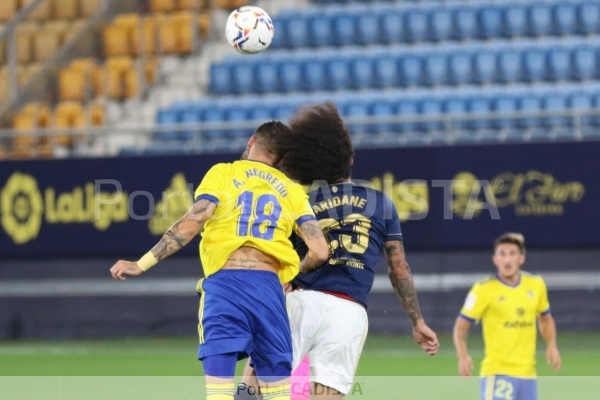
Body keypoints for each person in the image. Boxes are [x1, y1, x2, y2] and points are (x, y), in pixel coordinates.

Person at [110, 121, 330, 400]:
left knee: (220, 393)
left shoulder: (223, 173)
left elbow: (195, 219)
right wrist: (288, 276)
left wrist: (141, 264)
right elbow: (320, 251)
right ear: (282, 160)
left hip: (225, 288)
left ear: (252, 141)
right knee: (277, 394)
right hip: (269, 289)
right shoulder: (293, 191)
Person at [237, 102, 440, 400]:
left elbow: (281, 263)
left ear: (305, 163)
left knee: (251, 392)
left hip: (299, 303)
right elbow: (399, 269)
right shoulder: (380, 203)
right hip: (348, 312)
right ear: (350, 159)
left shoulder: (299, 201)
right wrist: (417, 321)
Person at [453, 233, 562, 400]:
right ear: (495, 259)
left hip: (528, 374)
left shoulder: (536, 284)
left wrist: (552, 344)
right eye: (502, 254)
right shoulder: (483, 289)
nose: (507, 260)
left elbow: (545, 318)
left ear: (521, 258)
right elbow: (461, 326)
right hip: (497, 373)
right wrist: (463, 357)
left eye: (512, 254)